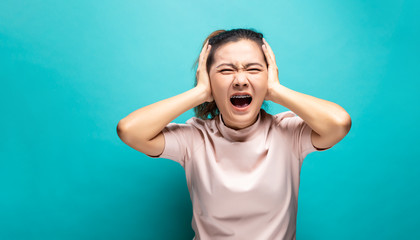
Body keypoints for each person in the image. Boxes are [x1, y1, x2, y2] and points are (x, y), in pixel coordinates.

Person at [117, 28, 352, 240]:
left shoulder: (289, 133)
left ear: (268, 76)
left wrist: (277, 91)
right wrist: (200, 92)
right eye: (226, 70)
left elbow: (339, 123)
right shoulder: (194, 138)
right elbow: (130, 130)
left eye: (253, 69)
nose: (240, 80)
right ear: (208, 79)